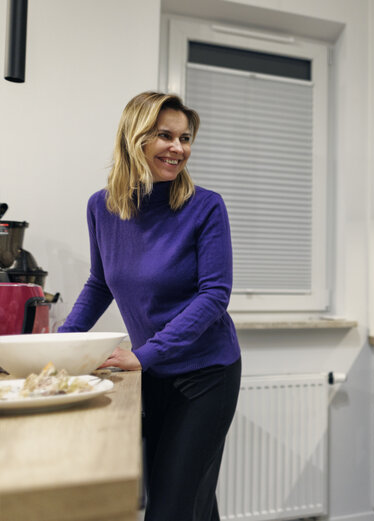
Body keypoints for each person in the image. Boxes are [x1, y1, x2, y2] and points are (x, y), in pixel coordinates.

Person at [59, 91, 241, 521]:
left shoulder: (205, 207)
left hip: (206, 376)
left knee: (171, 508)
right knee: (191, 502)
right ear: (134, 138)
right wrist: (60, 345)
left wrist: (144, 355)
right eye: (165, 136)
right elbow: (100, 283)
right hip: (152, 376)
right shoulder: (101, 208)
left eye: (185, 137)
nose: (179, 148)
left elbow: (214, 295)